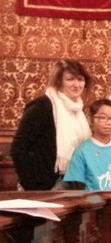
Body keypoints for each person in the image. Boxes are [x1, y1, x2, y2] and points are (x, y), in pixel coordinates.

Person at [11, 59, 92, 190]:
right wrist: (31, 184)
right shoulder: (43, 105)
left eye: (80, 79)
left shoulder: (79, 110)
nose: (76, 84)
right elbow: (18, 149)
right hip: (45, 184)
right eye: (70, 79)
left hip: (72, 180)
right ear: (58, 82)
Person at [64, 99, 111, 193]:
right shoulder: (81, 152)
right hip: (93, 202)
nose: (109, 123)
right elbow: (76, 187)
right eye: (103, 118)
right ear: (91, 119)